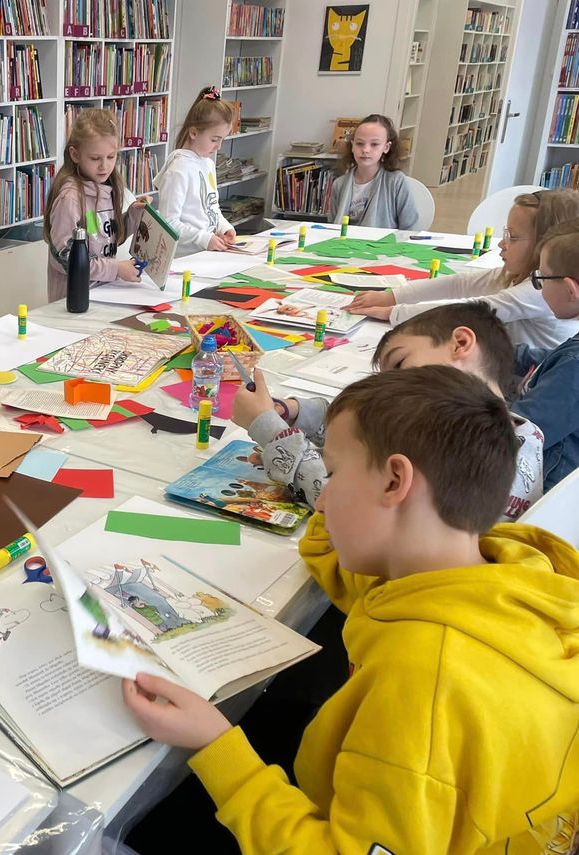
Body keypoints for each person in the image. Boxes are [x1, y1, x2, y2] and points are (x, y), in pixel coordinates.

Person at [125, 366, 579, 853]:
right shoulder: (488, 571)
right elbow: (339, 560)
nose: (319, 503)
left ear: (394, 482)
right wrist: (344, 500)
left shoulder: (424, 683)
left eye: (334, 473)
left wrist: (216, 746)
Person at [233, 302, 543, 520]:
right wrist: (297, 413)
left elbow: (344, 502)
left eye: (399, 364)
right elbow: (373, 436)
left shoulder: (469, 451)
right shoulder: (518, 430)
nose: (391, 388)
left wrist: (270, 429)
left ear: (460, 343)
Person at [348, 189, 579, 349]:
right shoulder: (523, 275)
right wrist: (391, 296)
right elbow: (460, 284)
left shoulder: (541, 288)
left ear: (544, 245)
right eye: (505, 233)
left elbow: (475, 312)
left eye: (513, 237)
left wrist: (393, 312)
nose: (502, 243)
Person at [43, 108, 147, 302]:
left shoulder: (108, 187)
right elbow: (66, 259)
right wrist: (116, 269)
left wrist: (133, 215)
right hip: (72, 302)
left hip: (104, 294)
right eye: (95, 158)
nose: (104, 166)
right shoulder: (70, 199)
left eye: (111, 157)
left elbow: (107, 237)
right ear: (75, 155)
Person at [510, 227, 579, 489]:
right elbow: (548, 361)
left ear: (570, 290)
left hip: (539, 491)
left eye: (542, 278)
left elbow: (519, 431)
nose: (539, 287)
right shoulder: (571, 359)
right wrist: (499, 354)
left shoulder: (575, 365)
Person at [153, 85, 236, 254]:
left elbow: (211, 207)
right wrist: (203, 238)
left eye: (222, 140)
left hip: (204, 255)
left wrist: (224, 228)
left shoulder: (207, 163)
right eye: (214, 139)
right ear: (193, 133)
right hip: (183, 260)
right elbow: (168, 222)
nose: (219, 146)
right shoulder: (178, 170)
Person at [327, 113, 420, 230]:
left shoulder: (396, 181)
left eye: (374, 144)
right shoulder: (339, 184)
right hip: (345, 245)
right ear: (352, 146)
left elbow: (410, 227)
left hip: (383, 246)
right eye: (360, 143)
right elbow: (332, 227)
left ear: (386, 147)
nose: (365, 150)